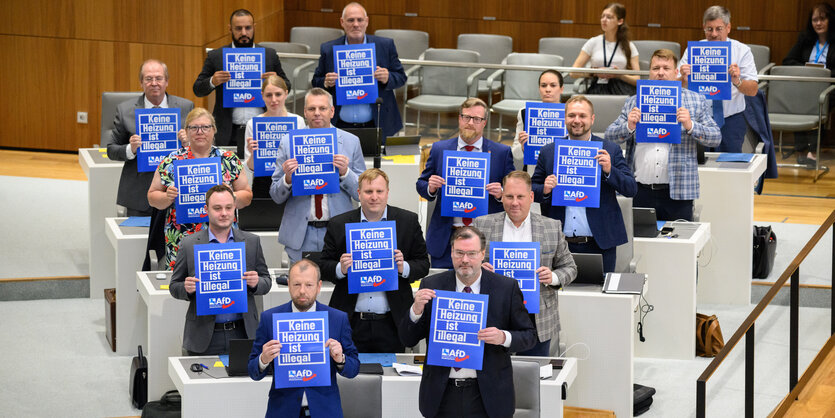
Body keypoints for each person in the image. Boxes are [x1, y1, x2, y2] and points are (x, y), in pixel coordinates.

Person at [398, 226, 537, 418]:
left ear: (482, 254)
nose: (465, 260)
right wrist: (416, 310)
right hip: (441, 394)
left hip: (488, 395)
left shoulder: (506, 287)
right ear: (452, 253)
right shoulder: (432, 285)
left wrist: (503, 337)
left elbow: (529, 336)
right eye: (459, 253)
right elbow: (407, 339)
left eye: (471, 253)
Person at [320, 168, 430, 353]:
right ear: (359, 193)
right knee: (349, 376)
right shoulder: (339, 224)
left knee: (391, 378)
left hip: (392, 321)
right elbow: (323, 266)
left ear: (387, 192)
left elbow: (423, 264)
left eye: (379, 191)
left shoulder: (407, 221)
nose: (374, 197)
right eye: (368, 191)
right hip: (351, 320)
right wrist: (341, 268)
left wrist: (404, 267)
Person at [606, 49, 721, 221]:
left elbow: (716, 137)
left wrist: (691, 126)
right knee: (640, 246)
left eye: (666, 68)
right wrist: (628, 126)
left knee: (679, 246)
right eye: (655, 68)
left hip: (678, 192)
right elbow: (609, 137)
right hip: (639, 190)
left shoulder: (696, 100)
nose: (660, 73)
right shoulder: (633, 101)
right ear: (649, 72)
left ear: (676, 73)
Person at [473, 171, 577, 356]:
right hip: (493, 314)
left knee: (533, 377)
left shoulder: (551, 226)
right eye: (509, 196)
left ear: (531, 197)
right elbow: (465, 264)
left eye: (520, 196)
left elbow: (570, 267)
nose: (514, 202)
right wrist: (477, 269)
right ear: (502, 197)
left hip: (537, 318)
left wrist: (552, 277)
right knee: (494, 378)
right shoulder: (482, 224)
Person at [532, 95, 637, 273]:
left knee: (599, 298)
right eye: (572, 115)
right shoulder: (549, 151)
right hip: (559, 245)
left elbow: (631, 189)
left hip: (600, 243)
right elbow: (532, 189)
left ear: (592, 119)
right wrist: (546, 189)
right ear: (565, 118)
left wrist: (610, 170)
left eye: (582, 116)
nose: (577, 121)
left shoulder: (610, 149)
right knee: (559, 297)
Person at [248, 259, 359, 418]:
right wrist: (263, 359)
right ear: (288, 285)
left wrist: (340, 359)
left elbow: (353, 369)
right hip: (282, 410)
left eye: (309, 285)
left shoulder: (337, 319)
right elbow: (253, 372)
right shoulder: (270, 318)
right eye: (296, 284)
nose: (302, 291)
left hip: (325, 411)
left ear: (319, 286)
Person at [169, 184, 271, 355]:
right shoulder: (189, 244)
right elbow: (174, 286)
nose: (224, 213)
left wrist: (256, 283)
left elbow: (266, 282)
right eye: (217, 208)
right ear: (206, 210)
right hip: (204, 334)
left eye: (228, 208)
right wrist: (186, 288)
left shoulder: (251, 242)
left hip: (243, 332)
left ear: (234, 208)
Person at [147, 107, 253, 269]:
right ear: (186, 132)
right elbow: (152, 196)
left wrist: (231, 195)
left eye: (205, 127)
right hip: (181, 238)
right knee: (184, 287)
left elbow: (247, 196)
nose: (200, 132)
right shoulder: (171, 160)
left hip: (222, 235)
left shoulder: (228, 159)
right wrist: (167, 197)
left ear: (214, 130)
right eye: (194, 127)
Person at [270, 88, 367, 263]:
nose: (317, 113)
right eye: (311, 109)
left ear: (332, 111)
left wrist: (346, 173)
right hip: (300, 234)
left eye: (322, 108)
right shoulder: (288, 142)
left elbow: (363, 194)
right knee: (302, 288)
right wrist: (287, 179)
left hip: (338, 233)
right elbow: (275, 195)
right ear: (305, 112)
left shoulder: (351, 142)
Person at [416, 98, 515, 268]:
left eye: (477, 119)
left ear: (484, 123)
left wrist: (501, 194)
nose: (470, 123)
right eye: (466, 117)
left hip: (485, 240)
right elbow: (421, 184)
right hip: (447, 239)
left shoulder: (501, 152)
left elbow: (513, 193)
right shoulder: (440, 149)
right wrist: (430, 188)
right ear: (459, 119)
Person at [105, 59, 193, 216]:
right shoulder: (125, 111)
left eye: (159, 78)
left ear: (166, 81)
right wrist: (130, 149)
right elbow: (111, 150)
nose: (154, 83)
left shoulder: (186, 107)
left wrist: (189, 143)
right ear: (141, 82)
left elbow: (205, 147)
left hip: (179, 190)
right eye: (148, 78)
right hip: (139, 193)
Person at [193, 9, 291, 150]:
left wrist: (276, 81)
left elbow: (288, 86)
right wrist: (212, 81)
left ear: (254, 27)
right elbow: (197, 89)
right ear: (230, 29)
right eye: (238, 29)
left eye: (248, 28)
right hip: (228, 130)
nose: (244, 33)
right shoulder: (216, 56)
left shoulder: (269, 55)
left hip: (263, 128)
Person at [312, 2, 407, 138]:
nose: (355, 24)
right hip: (340, 125)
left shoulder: (385, 45)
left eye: (359, 20)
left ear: (366, 21)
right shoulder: (329, 49)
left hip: (377, 123)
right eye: (350, 20)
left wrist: (388, 78)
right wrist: (326, 83)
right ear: (342, 22)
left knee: (378, 160)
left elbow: (401, 77)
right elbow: (316, 81)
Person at [679, 5, 759, 153]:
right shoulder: (693, 51)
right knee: (700, 167)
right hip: (698, 120)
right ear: (703, 28)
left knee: (729, 168)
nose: (714, 34)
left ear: (728, 27)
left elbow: (753, 90)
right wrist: (683, 79)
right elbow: (676, 87)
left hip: (731, 120)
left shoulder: (742, 51)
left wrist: (737, 81)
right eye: (709, 29)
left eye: (719, 28)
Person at [782, 2, 835, 165]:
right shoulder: (805, 40)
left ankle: (812, 150)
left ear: (830, 20)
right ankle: (802, 149)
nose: (818, 23)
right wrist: (807, 70)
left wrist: (823, 73)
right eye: (814, 20)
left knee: (818, 102)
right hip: (805, 86)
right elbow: (788, 61)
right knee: (797, 99)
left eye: (822, 19)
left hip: (829, 87)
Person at [243, 75, 306, 197]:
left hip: (291, 180)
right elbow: (251, 168)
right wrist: (252, 154)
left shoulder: (298, 121)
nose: (274, 99)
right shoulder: (253, 123)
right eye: (268, 95)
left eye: (278, 94)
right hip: (263, 182)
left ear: (286, 93)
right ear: (262, 95)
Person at [571, 3, 640, 95]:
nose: (604, 20)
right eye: (602, 16)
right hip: (597, 87)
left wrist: (620, 75)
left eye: (609, 17)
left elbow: (637, 80)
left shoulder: (629, 46)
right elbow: (573, 73)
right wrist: (594, 73)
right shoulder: (593, 42)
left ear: (620, 21)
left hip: (621, 88)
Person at [511, 69, 564, 171]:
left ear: (561, 89)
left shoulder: (571, 114)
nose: (548, 89)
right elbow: (515, 154)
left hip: (561, 172)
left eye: (553, 85)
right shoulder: (525, 112)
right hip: (533, 172)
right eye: (543, 85)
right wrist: (523, 147)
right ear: (539, 88)